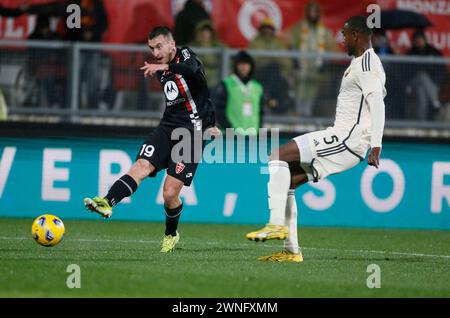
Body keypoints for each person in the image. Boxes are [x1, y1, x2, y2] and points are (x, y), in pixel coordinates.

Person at [246, 16, 386, 263]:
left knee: (277, 155)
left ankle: (276, 223)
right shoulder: (361, 62)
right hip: (345, 140)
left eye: (344, 34)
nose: (342, 40)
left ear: (356, 34)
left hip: (346, 139)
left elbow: (377, 103)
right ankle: (292, 251)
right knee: (287, 181)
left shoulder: (366, 63)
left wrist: (376, 144)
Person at [84, 26, 218, 253]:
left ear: (171, 45)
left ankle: (171, 233)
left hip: (191, 132)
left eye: (158, 47)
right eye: (151, 48)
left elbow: (196, 75)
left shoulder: (185, 56)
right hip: (167, 127)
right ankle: (107, 202)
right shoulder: (159, 70)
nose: (155, 52)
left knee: (169, 193)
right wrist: (162, 67)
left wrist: (210, 124)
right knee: (141, 165)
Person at [288, 1, 336, 117]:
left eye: (315, 12)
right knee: (299, 88)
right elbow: (291, 44)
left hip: (316, 67)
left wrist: (325, 62)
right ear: (307, 13)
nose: (313, 14)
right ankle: (298, 112)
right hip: (302, 65)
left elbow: (330, 47)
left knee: (312, 89)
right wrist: (294, 61)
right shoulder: (299, 27)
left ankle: (307, 113)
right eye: (311, 11)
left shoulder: (324, 30)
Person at [213, 51, 264, 135]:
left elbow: (261, 112)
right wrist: (230, 130)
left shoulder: (257, 87)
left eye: (247, 64)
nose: (244, 67)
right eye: (241, 64)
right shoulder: (226, 85)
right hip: (231, 137)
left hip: (253, 136)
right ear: (236, 66)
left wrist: (259, 130)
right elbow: (219, 111)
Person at [248, 18, 292, 114]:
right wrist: (271, 61)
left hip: (275, 76)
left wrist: (271, 61)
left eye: (269, 28)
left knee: (278, 77)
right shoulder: (255, 43)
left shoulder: (278, 44)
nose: (267, 30)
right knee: (273, 69)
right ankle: (270, 101)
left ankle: (271, 101)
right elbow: (252, 61)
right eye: (265, 28)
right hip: (259, 74)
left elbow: (286, 62)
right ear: (261, 29)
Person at [406, 30, 445, 120]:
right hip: (413, 83)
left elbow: (441, 70)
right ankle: (435, 103)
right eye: (416, 40)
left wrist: (435, 82)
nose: (418, 41)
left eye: (420, 39)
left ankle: (421, 121)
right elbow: (405, 71)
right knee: (422, 77)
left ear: (424, 39)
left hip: (432, 83)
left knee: (421, 92)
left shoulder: (434, 52)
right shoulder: (411, 53)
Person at [189, 20, 225, 88]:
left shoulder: (219, 46)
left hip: (215, 83)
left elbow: (226, 63)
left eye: (208, 32)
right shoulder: (191, 47)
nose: (205, 34)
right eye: (202, 32)